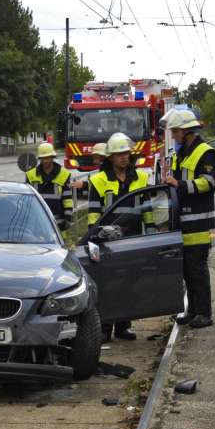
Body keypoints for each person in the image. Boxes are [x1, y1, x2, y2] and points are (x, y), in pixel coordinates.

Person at [87, 132, 149, 341]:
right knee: (107, 284)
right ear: (110, 157)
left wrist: (150, 234)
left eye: (126, 153)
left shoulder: (141, 177)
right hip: (108, 242)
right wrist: (94, 238)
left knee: (129, 283)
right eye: (119, 154)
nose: (124, 157)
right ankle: (105, 328)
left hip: (133, 238)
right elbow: (94, 214)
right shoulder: (98, 180)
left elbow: (147, 208)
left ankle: (123, 327)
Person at [164, 110, 215, 329]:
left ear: (187, 132)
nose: (174, 135)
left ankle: (205, 313)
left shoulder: (206, 152)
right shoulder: (182, 154)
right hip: (184, 221)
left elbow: (209, 182)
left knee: (197, 270)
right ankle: (193, 311)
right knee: (187, 271)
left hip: (198, 221)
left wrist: (181, 185)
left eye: (176, 131)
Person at [25, 142, 73, 229]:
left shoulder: (64, 175)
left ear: (53, 157)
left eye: (48, 158)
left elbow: (68, 199)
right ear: (39, 159)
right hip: (36, 222)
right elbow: (27, 201)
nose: (45, 161)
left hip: (58, 223)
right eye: (43, 158)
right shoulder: (31, 175)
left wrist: (68, 219)